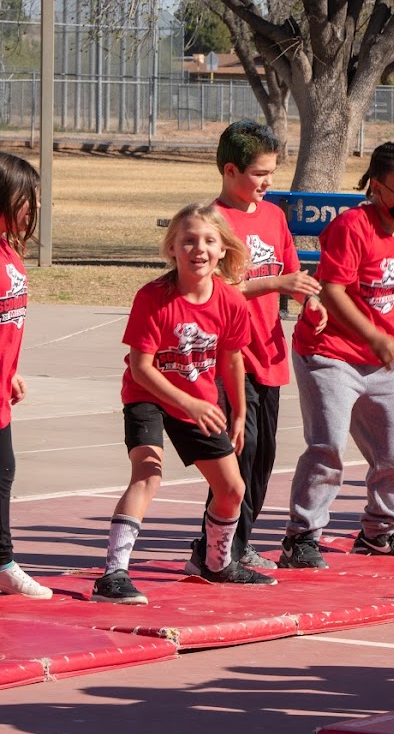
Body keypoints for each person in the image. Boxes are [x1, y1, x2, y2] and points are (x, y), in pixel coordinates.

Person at [280, 143, 394, 569]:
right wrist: (374, 336)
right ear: (377, 186)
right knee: (327, 446)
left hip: (379, 362)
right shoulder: (352, 226)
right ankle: (302, 537)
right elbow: (332, 290)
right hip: (330, 354)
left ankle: (379, 532)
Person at [93, 201, 271, 604]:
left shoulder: (229, 301)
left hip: (200, 400)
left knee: (231, 490)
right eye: (188, 240)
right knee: (148, 472)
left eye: (209, 241)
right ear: (172, 248)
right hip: (149, 394)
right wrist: (188, 406)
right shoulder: (153, 297)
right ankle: (113, 574)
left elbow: (231, 358)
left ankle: (214, 563)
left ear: (223, 249)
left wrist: (239, 412)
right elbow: (141, 368)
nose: (199, 249)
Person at [184, 121, 324, 576]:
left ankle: (234, 545)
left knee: (262, 458)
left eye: (272, 172)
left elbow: (294, 274)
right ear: (230, 170)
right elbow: (213, 286)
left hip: (270, 353)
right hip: (230, 357)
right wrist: (274, 283)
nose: (268, 182)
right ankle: (216, 551)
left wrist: (310, 301)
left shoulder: (275, 216)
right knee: (238, 456)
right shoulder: (210, 222)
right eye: (260, 173)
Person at [0, 153, 49, 599]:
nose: (31, 209)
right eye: (23, 199)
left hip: (0, 393)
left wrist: (12, 371)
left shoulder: (7, 248)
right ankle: (4, 562)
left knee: (4, 469)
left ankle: (1, 563)